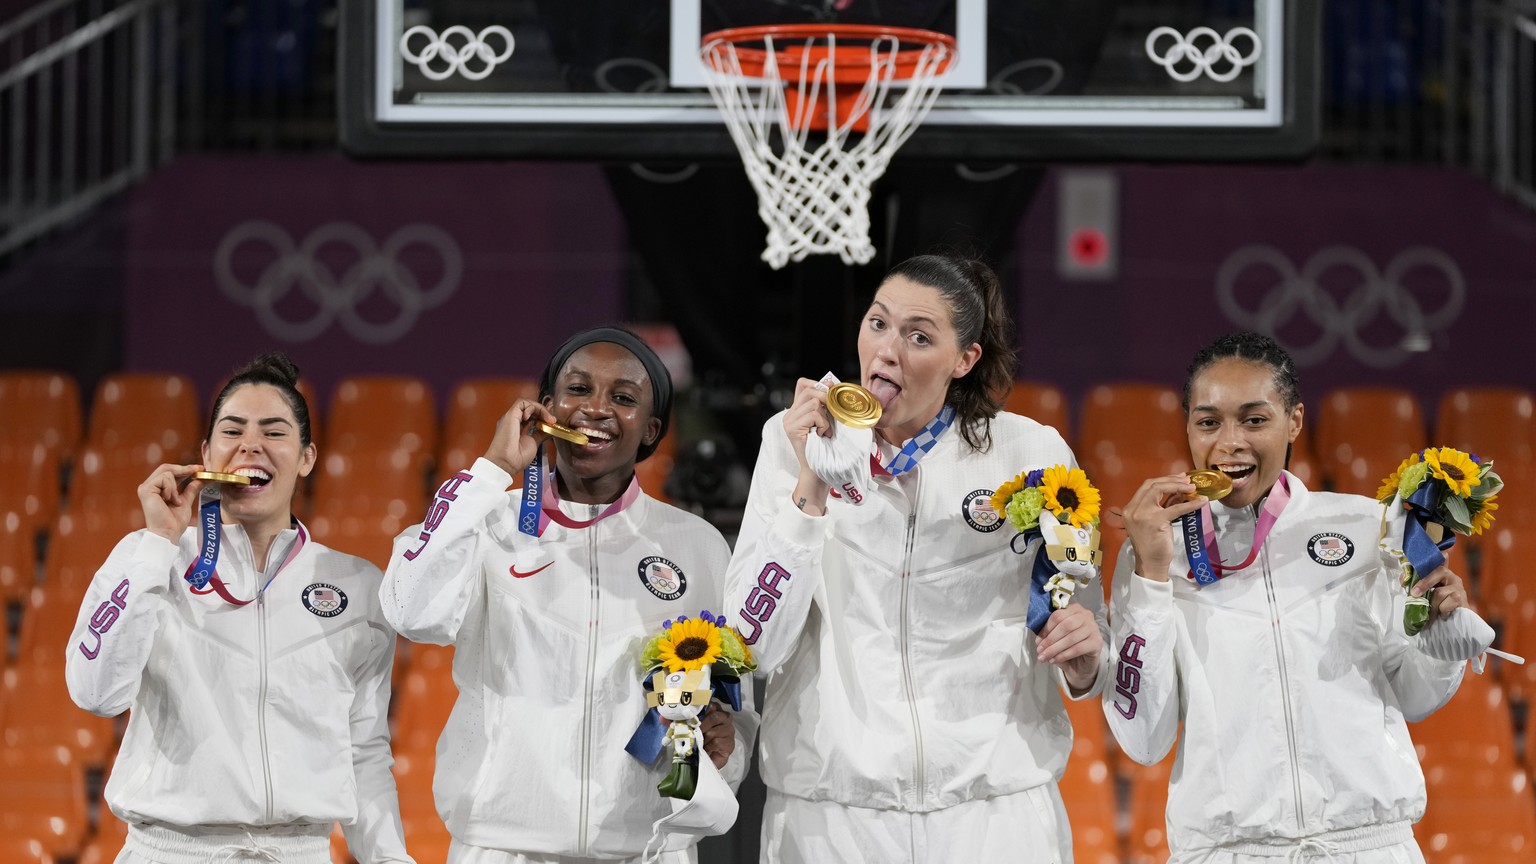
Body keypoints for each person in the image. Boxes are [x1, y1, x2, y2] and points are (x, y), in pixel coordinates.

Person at [724, 253, 1109, 863]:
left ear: (965, 359)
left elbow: (1086, 631)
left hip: (993, 812)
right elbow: (752, 645)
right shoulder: (791, 439)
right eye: (877, 324)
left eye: (918, 336)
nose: (887, 350)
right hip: (830, 814)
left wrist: (1087, 659)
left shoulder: (1030, 451)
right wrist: (811, 485)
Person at [380, 326, 757, 864]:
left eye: (623, 398)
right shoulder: (490, 523)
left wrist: (726, 752)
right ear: (547, 408)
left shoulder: (697, 545)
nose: (596, 409)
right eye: (578, 390)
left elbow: (729, 704)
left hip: (647, 849)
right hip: (504, 846)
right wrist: (490, 471)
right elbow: (410, 610)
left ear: (651, 430)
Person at [1103, 331, 1469, 863]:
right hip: (1228, 851)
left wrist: (1437, 633)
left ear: (1294, 420)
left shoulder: (1366, 526)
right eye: (1209, 422)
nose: (1230, 442)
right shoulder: (1154, 550)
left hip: (1366, 846)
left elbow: (1414, 697)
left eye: (1255, 419)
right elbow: (1143, 739)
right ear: (1187, 427)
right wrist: (1152, 577)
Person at [65, 353, 414, 863]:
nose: (251, 444)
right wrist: (159, 541)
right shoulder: (148, 560)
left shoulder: (356, 586)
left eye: (274, 432)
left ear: (307, 457)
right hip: (170, 851)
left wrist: (389, 860)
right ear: (207, 452)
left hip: (298, 852)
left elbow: (363, 749)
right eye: (233, 431)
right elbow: (95, 692)